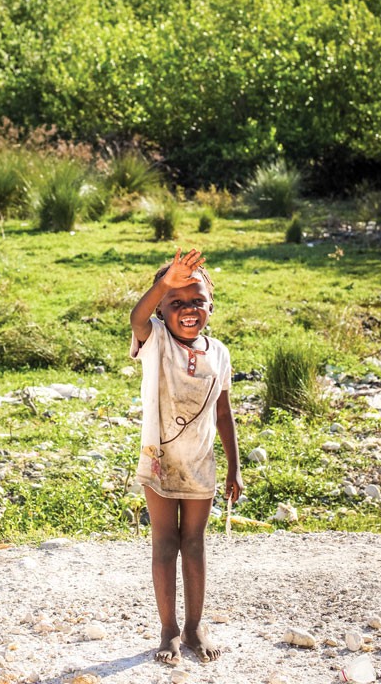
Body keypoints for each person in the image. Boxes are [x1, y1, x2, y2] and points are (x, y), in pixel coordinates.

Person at [130, 247, 243, 666]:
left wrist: (234, 465)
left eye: (197, 300)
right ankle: (168, 629)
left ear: (212, 304)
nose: (188, 309)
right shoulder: (155, 338)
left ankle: (195, 625)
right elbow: (136, 320)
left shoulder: (220, 353)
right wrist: (165, 280)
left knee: (194, 543)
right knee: (165, 541)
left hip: (199, 462)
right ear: (162, 308)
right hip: (159, 457)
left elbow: (223, 410)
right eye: (176, 302)